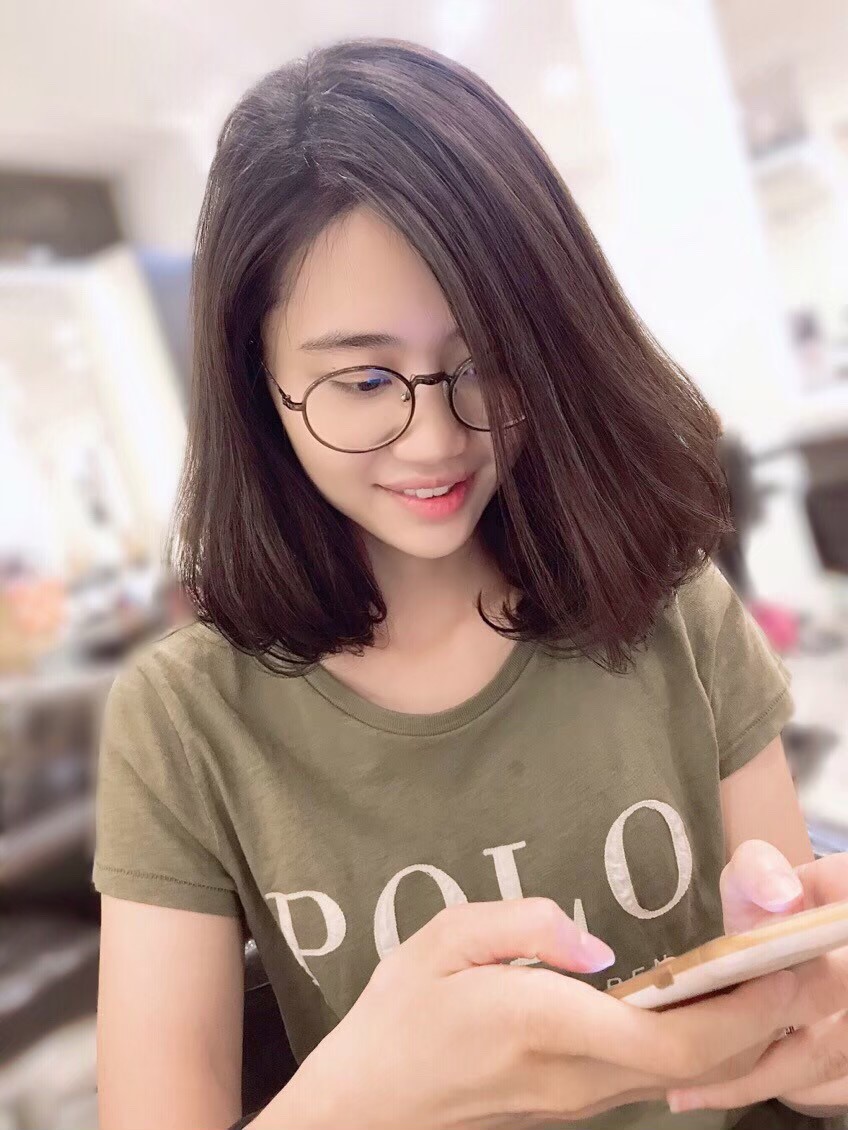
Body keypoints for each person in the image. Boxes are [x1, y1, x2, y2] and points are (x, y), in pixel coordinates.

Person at [93, 38, 848, 1130]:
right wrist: (361, 1096)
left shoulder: (671, 608)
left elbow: (796, 1039)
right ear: (258, 380)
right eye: (362, 379)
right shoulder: (185, 720)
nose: (437, 439)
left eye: (488, 360)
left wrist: (815, 1043)